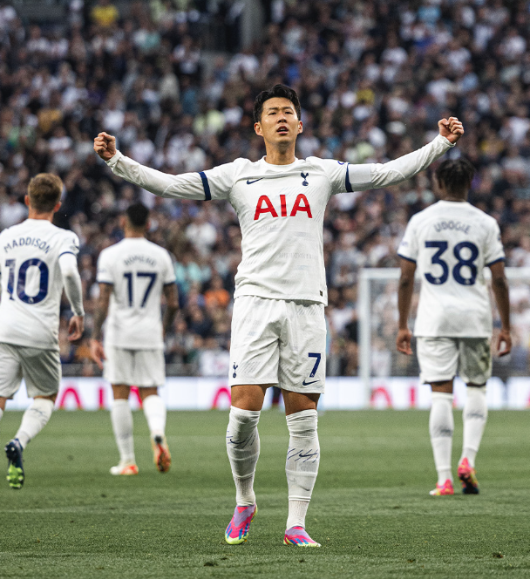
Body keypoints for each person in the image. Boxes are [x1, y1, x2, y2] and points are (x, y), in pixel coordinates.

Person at [94, 83, 464, 546]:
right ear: (259, 127)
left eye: (288, 111)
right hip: (255, 303)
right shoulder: (239, 175)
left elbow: (388, 172)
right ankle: (244, 500)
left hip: (307, 306)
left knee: (303, 419)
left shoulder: (322, 172)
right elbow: (170, 184)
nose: (282, 117)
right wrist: (116, 160)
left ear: (300, 124)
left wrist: (440, 144)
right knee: (242, 415)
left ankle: (295, 524)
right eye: (273, 112)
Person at [396, 158, 511, 496]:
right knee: (476, 388)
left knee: (441, 394)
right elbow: (499, 279)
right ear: (470, 185)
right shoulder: (485, 222)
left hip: (435, 319)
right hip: (474, 317)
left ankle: (444, 478)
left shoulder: (421, 221)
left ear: (439, 184)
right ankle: (468, 461)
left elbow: (405, 277)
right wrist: (505, 326)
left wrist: (402, 324)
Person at [0, 173, 84, 489]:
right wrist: (78, 312)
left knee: (0, 397)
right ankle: (19, 442)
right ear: (58, 205)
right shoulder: (63, 237)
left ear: (27, 201)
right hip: (39, 331)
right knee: (45, 396)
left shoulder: (6, 236)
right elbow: (70, 273)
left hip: (5, 328)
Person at [90, 203, 178, 476]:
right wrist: (163, 328)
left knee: (120, 394)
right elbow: (173, 303)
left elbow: (103, 300)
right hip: (150, 331)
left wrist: (94, 336)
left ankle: (127, 461)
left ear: (123, 222)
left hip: (119, 333)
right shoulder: (161, 256)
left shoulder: (110, 255)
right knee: (150, 391)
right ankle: (157, 432)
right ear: (148, 224)